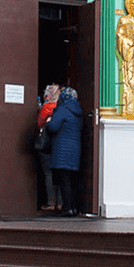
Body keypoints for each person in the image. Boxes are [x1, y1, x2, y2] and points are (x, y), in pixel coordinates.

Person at [46, 87, 84, 217]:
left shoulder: (62, 109)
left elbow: (53, 127)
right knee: (72, 180)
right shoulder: (78, 111)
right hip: (75, 149)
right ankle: (73, 207)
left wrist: (48, 121)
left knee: (64, 180)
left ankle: (67, 208)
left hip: (62, 149)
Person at [36, 84, 61, 212]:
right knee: (60, 173)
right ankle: (60, 203)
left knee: (48, 173)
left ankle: (51, 202)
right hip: (58, 143)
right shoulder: (60, 107)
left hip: (45, 144)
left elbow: (40, 123)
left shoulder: (47, 107)